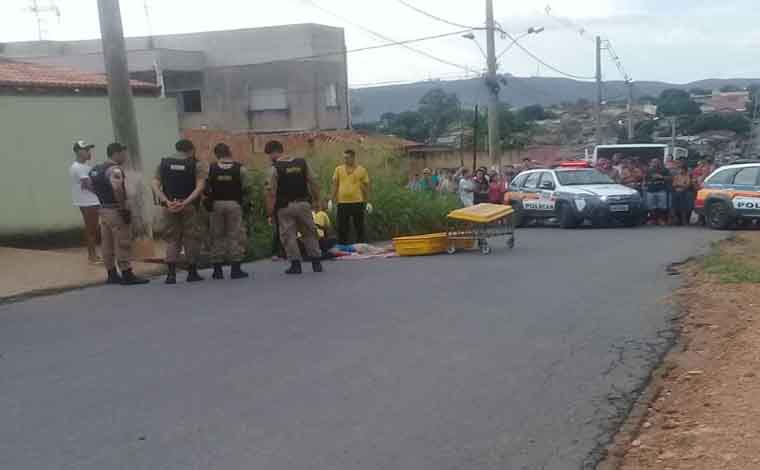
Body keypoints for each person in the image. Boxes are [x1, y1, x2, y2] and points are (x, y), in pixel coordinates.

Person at [87, 143, 149, 285]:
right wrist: (122, 208)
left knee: (106, 243)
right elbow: (118, 189)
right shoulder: (114, 170)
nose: (125, 156)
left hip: (103, 210)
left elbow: (87, 185)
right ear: (116, 153)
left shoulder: (96, 169)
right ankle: (127, 274)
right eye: (123, 153)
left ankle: (111, 274)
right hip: (115, 210)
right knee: (123, 241)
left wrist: (101, 197)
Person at [152, 139, 208, 284]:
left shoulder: (163, 163)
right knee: (191, 237)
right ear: (190, 150)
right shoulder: (196, 164)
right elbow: (200, 186)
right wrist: (185, 202)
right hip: (189, 207)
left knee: (172, 239)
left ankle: (171, 275)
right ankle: (192, 273)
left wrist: (166, 201)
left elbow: (154, 184)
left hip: (169, 207)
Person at [267, 140, 323, 275]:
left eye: (269, 154)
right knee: (309, 233)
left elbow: (271, 192)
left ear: (274, 152)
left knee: (289, 236)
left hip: (285, 207)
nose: (269, 157)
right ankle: (316, 263)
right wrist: (317, 200)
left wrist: (270, 213)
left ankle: (296, 265)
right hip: (303, 204)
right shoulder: (302, 163)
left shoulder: (275, 168)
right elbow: (313, 182)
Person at [207, 143, 249, 280]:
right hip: (234, 204)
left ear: (216, 154)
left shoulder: (211, 168)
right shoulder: (240, 168)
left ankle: (217, 271)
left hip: (216, 205)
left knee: (216, 235)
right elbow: (247, 187)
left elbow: (205, 188)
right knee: (234, 235)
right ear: (229, 152)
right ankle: (235, 269)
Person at [69, 140, 101, 263]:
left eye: (89, 149)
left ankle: (93, 255)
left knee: (92, 228)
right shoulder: (78, 167)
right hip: (88, 202)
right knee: (91, 229)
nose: (89, 152)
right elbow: (88, 185)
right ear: (78, 152)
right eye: (86, 150)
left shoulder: (85, 167)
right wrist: (102, 193)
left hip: (90, 200)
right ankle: (92, 256)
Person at [332, 149, 371, 244]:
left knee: (359, 225)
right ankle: (343, 244)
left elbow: (366, 187)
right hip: (342, 202)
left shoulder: (362, 170)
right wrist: (331, 199)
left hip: (357, 201)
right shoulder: (338, 169)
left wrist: (368, 202)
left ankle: (360, 244)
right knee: (342, 226)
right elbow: (335, 185)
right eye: (344, 158)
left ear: (353, 158)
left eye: (347, 158)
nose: (345, 160)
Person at [644, 158, 671, 225]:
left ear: (659, 163)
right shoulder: (648, 170)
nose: (655, 163)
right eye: (653, 162)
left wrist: (661, 177)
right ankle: (653, 219)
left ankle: (660, 219)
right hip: (650, 190)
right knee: (651, 206)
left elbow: (670, 178)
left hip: (661, 190)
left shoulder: (664, 170)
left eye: (656, 162)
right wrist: (646, 184)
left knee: (661, 206)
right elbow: (645, 179)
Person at [671, 161, 694, 226]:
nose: (680, 170)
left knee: (684, 200)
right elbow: (674, 184)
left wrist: (680, 185)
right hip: (677, 192)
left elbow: (688, 185)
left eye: (682, 169)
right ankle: (676, 219)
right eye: (679, 169)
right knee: (675, 199)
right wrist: (681, 185)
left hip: (685, 192)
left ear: (685, 170)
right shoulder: (676, 176)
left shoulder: (687, 176)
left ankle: (684, 220)